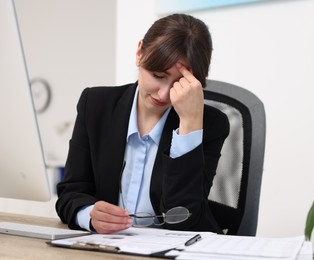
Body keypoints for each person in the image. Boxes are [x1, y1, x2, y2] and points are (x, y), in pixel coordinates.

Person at [56, 13, 230, 234]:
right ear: (140, 53)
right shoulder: (96, 105)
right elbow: (70, 194)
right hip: (107, 247)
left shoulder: (210, 124)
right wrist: (88, 214)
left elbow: (184, 219)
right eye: (158, 75)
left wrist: (189, 124)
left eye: (180, 83)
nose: (165, 94)